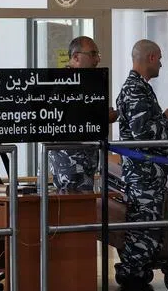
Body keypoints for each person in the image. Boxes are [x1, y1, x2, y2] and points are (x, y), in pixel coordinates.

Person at [115, 39, 168, 291]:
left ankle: (138, 283)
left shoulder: (141, 89)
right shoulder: (135, 90)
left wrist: (161, 117)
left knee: (148, 229)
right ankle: (132, 286)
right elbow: (144, 134)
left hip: (148, 174)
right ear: (151, 57)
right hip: (143, 176)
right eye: (161, 59)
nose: (163, 65)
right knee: (143, 230)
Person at [48, 36, 117, 193]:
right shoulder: (63, 82)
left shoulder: (83, 82)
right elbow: (67, 119)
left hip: (85, 162)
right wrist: (102, 118)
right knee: (75, 210)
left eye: (98, 54)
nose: (97, 60)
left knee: (85, 210)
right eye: (93, 54)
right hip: (70, 163)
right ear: (76, 57)